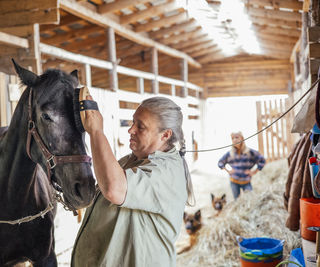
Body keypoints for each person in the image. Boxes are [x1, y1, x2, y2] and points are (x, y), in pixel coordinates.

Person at [71, 96, 195, 267]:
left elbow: (114, 189)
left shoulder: (166, 172)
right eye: (133, 122)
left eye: (140, 126)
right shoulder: (130, 160)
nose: (131, 130)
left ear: (165, 135)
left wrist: (96, 132)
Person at [218, 131, 266, 199]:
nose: (234, 140)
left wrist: (254, 172)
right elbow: (220, 162)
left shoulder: (250, 152)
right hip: (234, 181)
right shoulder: (230, 154)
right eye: (232, 138)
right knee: (237, 200)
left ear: (242, 138)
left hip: (246, 181)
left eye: (237, 137)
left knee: (250, 199)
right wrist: (228, 171)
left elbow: (262, 160)